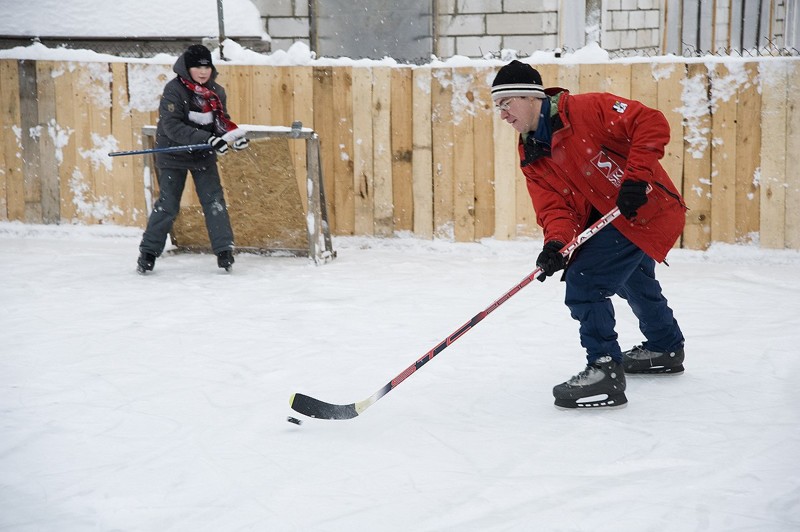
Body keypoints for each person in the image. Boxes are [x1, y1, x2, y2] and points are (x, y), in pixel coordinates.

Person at [491, 60, 687, 409]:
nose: (503, 114)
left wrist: (636, 178)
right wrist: (556, 244)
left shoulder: (584, 109)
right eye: (498, 107)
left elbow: (650, 121)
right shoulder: (532, 151)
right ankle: (664, 346)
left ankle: (604, 371)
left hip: (646, 209)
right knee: (634, 278)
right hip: (612, 219)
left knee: (585, 281)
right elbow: (556, 209)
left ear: (531, 97)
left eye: (506, 104)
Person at [137, 44, 249, 274]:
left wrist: (233, 137)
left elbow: (221, 122)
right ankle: (148, 253)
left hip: (202, 155)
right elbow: (172, 127)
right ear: (187, 68)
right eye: (197, 66)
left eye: (206, 66)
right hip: (173, 154)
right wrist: (208, 139)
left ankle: (224, 251)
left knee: (214, 201)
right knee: (168, 205)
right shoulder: (174, 90)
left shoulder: (216, 91)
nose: (202, 71)